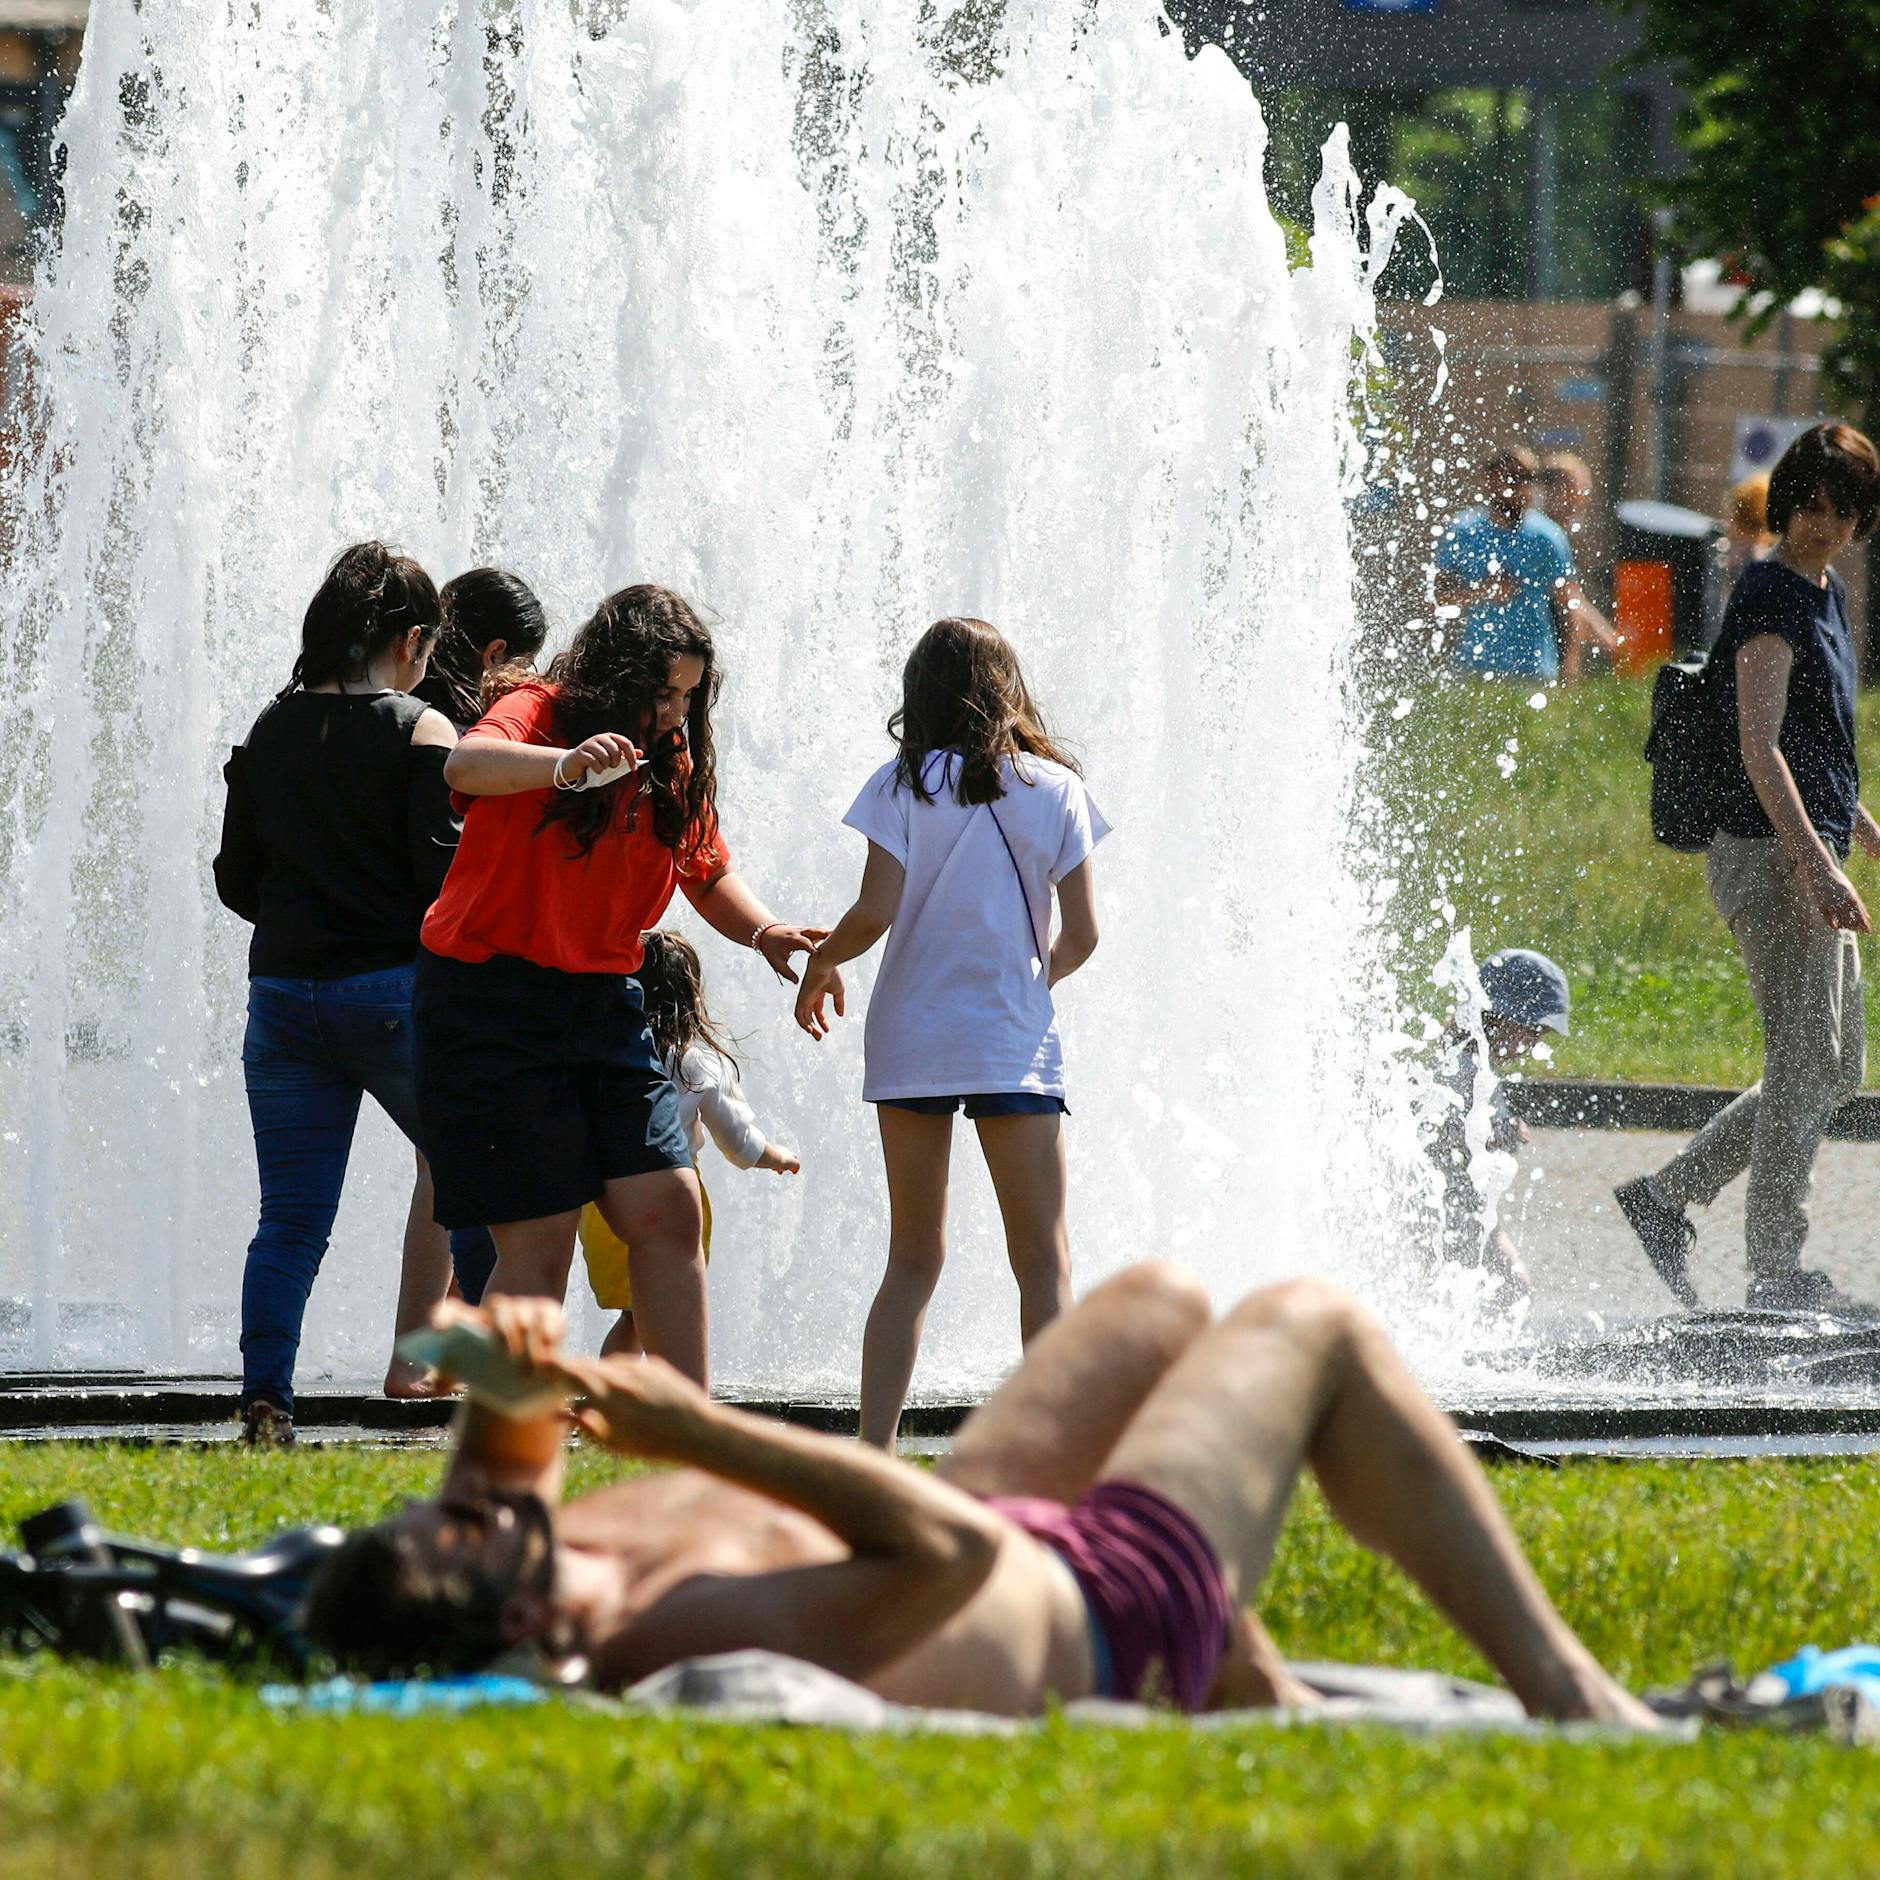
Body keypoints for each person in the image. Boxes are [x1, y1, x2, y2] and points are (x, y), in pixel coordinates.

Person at [300, 1281, 1659, 1731]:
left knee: (1161, 1306)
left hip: (999, 1536)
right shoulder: (666, 1631)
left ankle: (1261, 1699)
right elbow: (945, 1554)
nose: (475, 1495)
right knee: (1313, 1329)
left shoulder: (529, 1559)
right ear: (530, 1620)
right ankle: (1574, 1698)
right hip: (1104, 1604)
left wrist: (506, 1356)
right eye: (471, 1525)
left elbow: (501, 1467)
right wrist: (695, 1429)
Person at [411, 583, 823, 1388]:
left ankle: (687, 1439)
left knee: (670, 1208)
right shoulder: (540, 709)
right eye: (663, 692)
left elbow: (706, 873)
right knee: (540, 1237)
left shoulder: (671, 759)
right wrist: (563, 766)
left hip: (602, 1002)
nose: (676, 712)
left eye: (687, 696)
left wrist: (765, 931)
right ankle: (503, 1465)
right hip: (487, 1001)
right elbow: (465, 762)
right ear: (619, 674)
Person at [793, 617, 1108, 1450]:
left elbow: (874, 911)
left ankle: (875, 1451)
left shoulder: (898, 785)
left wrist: (824, 961)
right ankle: (1054, 1450)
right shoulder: (1056, 789)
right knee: (1042, 1259)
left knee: (911, 1260)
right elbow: (1082, 936)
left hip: (913, 1039)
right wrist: (1026, 986)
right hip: (1011, 1041)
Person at [1616, 423, 1880, 1318]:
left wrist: (1861, 827)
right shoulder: (1771, 593)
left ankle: (1664, 1198)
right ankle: (1775, 1273)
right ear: (1789, 501)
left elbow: (1820, 744)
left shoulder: (1827, 592)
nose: (1824, 524)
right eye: (1811, 504)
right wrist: (1818, 868)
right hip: (1767, 854)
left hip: (1808, 848)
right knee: (1806, 1061)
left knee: (1834, 1065)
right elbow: (1760, 748)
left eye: (1844, 511)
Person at [212, 542, 461, 1444]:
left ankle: (267, 1401)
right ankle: (504, 1389)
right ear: (407, 639)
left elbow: (236, 880)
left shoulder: (271, 727)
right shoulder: (420, 730)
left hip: (280, 997)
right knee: (477, 1182)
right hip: (391, 992)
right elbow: (443, 882)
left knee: (290, 1221)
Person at [410, 568, 553, 1312]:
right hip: (451, 964)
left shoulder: (397, 705)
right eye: (524, 663)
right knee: (472, 1162)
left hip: (374, 960)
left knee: (444, 1164)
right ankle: (468, 1333)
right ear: (496, 649)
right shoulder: (462, 732)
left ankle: (430, 1341)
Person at [577, 929, 801, 1358]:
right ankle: (642, 1408)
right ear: (692, 996)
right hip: (672, 1203)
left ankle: (611, 1408)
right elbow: (738, 1142)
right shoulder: (694, 1062)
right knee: (654, 1314)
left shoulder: (600, 1059)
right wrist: (777, 1158)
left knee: (634, 1315)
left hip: (604, 1205)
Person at [1425, 949, 1572, 1313]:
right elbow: (1434, 1135)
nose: (1534, 1044)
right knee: (1506, 1292)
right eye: (1532, 1030)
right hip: (1440, 1212)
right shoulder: (1458, 1065)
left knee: (1513, 1292)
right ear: (1501, 1015)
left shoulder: (1478, 1063)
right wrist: (1498, 1133)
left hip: (1468, 1210)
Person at [1434, 446, 1619, 685]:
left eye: (1528, 478)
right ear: (1488, 481)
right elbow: (1439, 596)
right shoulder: (1463, 532)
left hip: (1534, 670)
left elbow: (1570, 605)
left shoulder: (1547, 536)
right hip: (1475, 669)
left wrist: (1570, 669)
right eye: (1512, 477)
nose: (1521, 486)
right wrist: (1483, 592)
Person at [413, 567, 550, 733]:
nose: (522, 680)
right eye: (521, 668)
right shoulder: (475, 737)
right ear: (495, 654)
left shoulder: (398, 692)